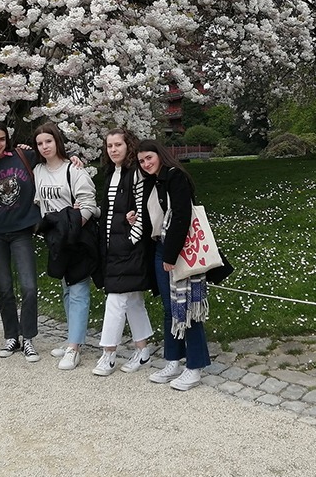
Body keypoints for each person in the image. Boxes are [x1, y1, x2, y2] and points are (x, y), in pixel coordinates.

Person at [137, 139, 210, 391]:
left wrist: (171, 255)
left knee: (187, 308)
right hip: (161, 248)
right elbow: (156, 216)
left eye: (149, 157)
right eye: (142, 161)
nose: (146, 163)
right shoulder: (151, 182)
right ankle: (173, 360)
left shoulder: (174, 176)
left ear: (160, 154)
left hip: (179, 249)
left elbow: (182, 216)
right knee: (170, 308)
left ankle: (195, 366)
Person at [31, 121, 99, 370]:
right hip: (55, 239)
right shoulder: (38, 171)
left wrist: (72, 226)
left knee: (78, 289)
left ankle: (74, 349)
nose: (44, 146)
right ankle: (74, 337)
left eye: (48, 141)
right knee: (67, 289)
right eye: (40, 143)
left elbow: (89, 204)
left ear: (57, 141)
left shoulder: (74, 170)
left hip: (76, 238)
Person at [0, 119, 43, 363]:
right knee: (4, 287)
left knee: (29, 286)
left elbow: (52, 157)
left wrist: (76, 160)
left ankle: (28, 337)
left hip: (21, 231)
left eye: (2, 139)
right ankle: (11, 335)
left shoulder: (22, 156)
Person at [92, 128, 153, 377]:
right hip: (112, 246)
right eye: (109, 146)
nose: (113, 149)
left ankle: (108, 353)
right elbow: (109, 211)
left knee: (116, 299)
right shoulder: (111, 174)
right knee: (133, 299)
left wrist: (131, 239)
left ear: (128, 146)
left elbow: (143, 210)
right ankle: (143, 350)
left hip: (129, 247)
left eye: (118, 144)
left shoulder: (136, 173)